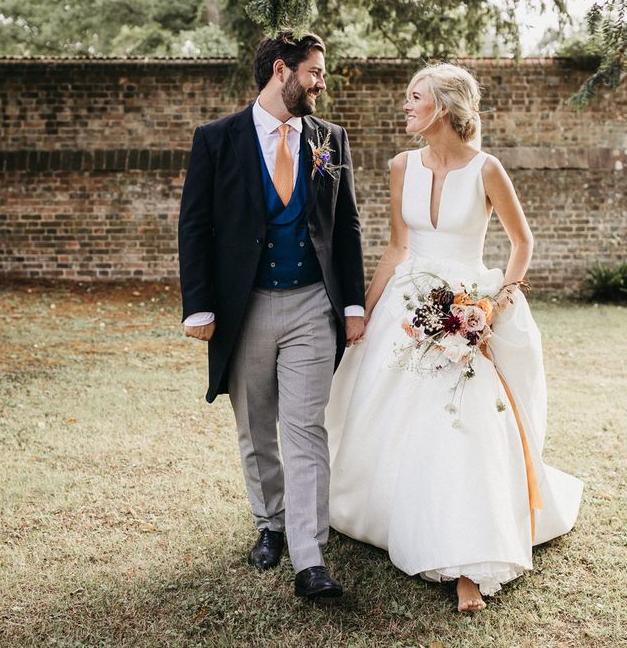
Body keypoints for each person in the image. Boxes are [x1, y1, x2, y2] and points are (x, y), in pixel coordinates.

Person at [324, 63, 583, 612]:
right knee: (393, 417)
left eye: (414, 97)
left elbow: (522, 242)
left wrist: (497, 302)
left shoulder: (487, 169)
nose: (405, 106)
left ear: (442, 107)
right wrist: (362, 313)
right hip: (406, 304)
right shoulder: (400, 166)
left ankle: (468, 559)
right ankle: (399, 517)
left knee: (461, 422)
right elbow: (397, 248)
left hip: (467, 305)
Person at [178, 30, 366, 598]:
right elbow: (195, 226)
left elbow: (348, 225)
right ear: (281, 70)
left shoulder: (330, 138)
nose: (321, 83)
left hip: (313, 303)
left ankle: (310, 560)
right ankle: (271, 524)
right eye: (314, 72)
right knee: (256, 425)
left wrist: (352, 304)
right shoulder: (217, 139)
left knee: (305, 428)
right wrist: (200, 305)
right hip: (247, 305)